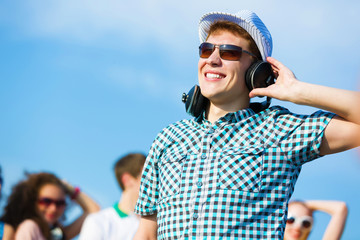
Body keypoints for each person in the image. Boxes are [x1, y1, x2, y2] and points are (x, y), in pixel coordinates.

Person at [133, 10, 360, 240]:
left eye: (229, 52)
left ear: (257, 72)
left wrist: (298, 91)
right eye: (206, 50)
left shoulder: (278, 130)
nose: (212, 59)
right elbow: (146, 234)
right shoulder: (168, 138)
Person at [0, 171, 100, 240]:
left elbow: (94, 211)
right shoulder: (30, 227)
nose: (53, 208)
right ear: (32, 201)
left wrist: (69, 188)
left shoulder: (56, 234)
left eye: (60, 203)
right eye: (46, 201)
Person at [79, 153, 146, 240]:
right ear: (127, 180)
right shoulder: (99, 222)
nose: (156, 179)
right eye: (148, 175)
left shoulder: (156, 222)